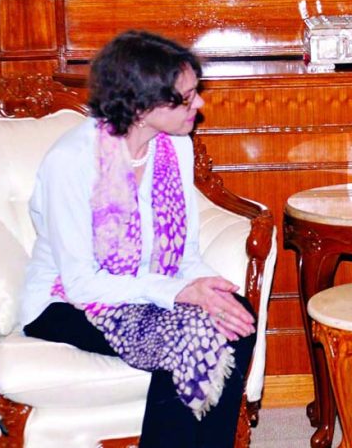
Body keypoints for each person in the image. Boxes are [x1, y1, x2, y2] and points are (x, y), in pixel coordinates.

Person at [19, 30, 257, 448]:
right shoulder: (71, 162)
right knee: (186, 334)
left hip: (144, 289)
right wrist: (179, 292)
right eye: (185, 98)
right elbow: (81, 283)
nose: (198, 104)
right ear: (142, 106)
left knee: (235, 318)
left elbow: (184, 254)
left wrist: (204, 288)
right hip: (64, 301)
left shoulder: (175, 147)